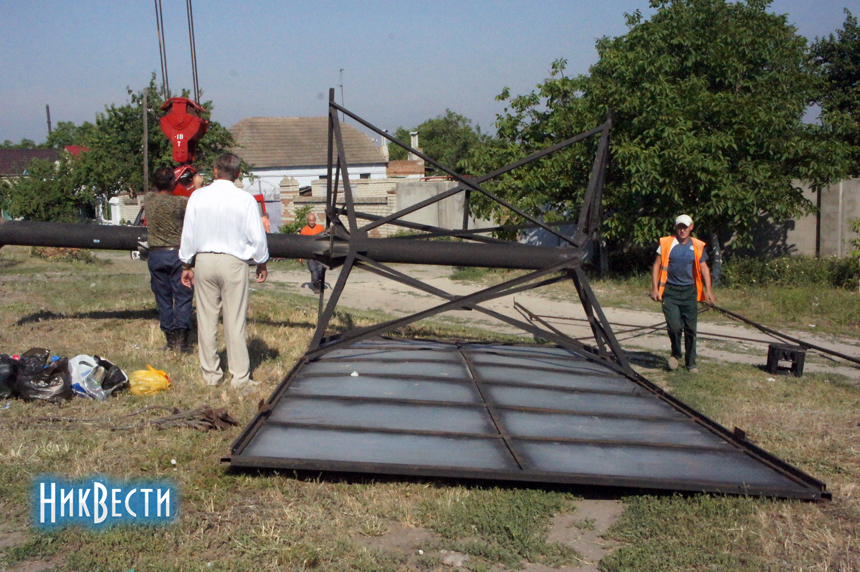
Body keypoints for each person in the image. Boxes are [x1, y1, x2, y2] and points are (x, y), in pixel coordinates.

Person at [178, 153, 269, 388]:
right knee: (235, 320)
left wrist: (186, 264)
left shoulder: (198, 196)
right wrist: (261, 261)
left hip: (204, 260)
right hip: (234, 262)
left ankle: (211, 374)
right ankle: (239, 377)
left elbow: (188, 233)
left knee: (206, 319)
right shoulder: (245, 199)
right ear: (238, 174)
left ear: (215, 171)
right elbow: (257, 235)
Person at [650, 214, 715, 373]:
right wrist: (655, 289)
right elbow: (656, 265)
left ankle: (691, 363)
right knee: (674, 327)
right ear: (676, 227)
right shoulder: (666, 243)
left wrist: (709, 291)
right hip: (670, 292)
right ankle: (676, 354)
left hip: (689, 292)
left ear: (691, 227)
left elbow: (705, 269)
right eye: (680, 227)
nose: (682, 230)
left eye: (685, 227)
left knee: (690, 329)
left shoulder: (697, 246)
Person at [143, 166, 193, 353]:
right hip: (177, 254)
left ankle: (170, 341)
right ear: (173, 182)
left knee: (163, 298)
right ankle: (182, 342)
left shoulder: (149, 200)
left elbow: (153, 190)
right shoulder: (181, 203)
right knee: (182, 296)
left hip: (156, 254)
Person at [300, 212, 326, 293]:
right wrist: (300, 257)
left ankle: (320, 283)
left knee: (321, 270)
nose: (311, 222)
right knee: (314, 270)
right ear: (308, 221)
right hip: (310, 254)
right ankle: (316, 287)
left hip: (320, 253)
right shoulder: (304, 230)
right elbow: (301, 244)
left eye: (313, 220)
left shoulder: (320, 228)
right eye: (310, 220)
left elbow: (325, 240)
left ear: (315, 220)